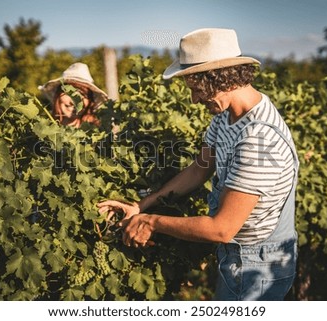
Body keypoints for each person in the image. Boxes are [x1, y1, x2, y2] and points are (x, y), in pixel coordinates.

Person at [97, 28, 299, 301]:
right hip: (239, 258)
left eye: (197, 89)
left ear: (220, 78)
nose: (194, 99)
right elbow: (199, 168)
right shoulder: (226, 117)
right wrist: (141, 206)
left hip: (257, 268)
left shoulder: (259, 138)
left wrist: (151, 222)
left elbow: (221, 228)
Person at [39, 62, 108, 127]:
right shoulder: (43, 129)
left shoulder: (97, 134)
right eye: (69, 92)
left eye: (83, 94)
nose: (74, 101)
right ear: (58, 94)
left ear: (90, 101)